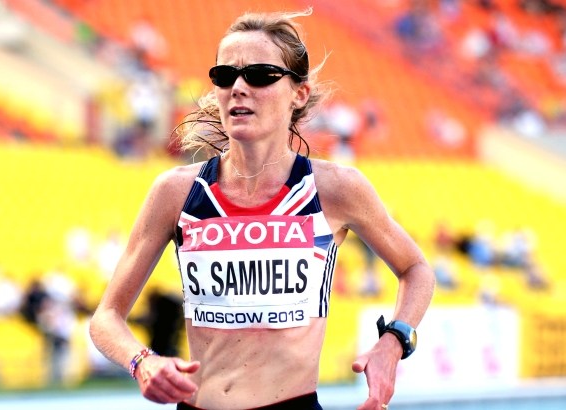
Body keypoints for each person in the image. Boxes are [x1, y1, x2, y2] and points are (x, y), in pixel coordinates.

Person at [89, 8, 435, 410]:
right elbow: (106, 318)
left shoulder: (334, 188)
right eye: (225, 75)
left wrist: (394, 341)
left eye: (259, 75)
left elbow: (416, 269)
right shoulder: (176, 191)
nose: (238, 87)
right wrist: (142, 362)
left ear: (298, 93)